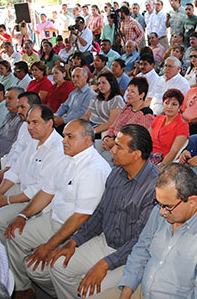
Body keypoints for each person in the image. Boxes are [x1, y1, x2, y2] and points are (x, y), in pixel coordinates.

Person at [28, 124, 158, 299]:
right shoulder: (117, 173)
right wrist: (75, 240)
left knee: (90, 291)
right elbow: (100, 213)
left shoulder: (154, 187)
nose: (112, 150)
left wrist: (105, 264)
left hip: (133, 255)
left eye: (119, 147)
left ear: (136, 155)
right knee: (57, 265)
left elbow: (143, 241)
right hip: (106, 242)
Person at [96, 163, 197, 299]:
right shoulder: (167, 207)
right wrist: (126, 291)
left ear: (192, 201)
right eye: (158, 203)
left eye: (167, 206)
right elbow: (142, 249)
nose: (161, 212)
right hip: (140, 289)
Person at [5, 119, 111, 299]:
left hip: (75, 231)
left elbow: (81, 218)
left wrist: (49, 246)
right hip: (53, 220)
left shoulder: (94, 168)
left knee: (37, 269)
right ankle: (23, 288)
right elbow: (47, 192)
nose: (64, 140)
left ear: (87, 141)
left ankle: (63, 291)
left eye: (70, 137)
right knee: (14, 233)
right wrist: (23, 214)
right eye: (64, 136)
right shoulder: (65, 158)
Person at [0, 104, 64, 245]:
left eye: (35, 122)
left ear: (49, 123)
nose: (30, 127)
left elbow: (38, 190)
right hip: (22, 188)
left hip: (36, 200)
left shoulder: (57, 149)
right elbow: (16, 169)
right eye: (28, 122)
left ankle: (0, 252)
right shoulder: (34, 140)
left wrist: (6, 200)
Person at [102, 77, 154, 153]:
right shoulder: (127, 108)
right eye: (128, 91)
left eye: (132, 92)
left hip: (126, 151)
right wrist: (107, 137)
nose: (128, 94)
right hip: (113, 143)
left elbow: (134, 139)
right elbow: (114, 125)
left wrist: (114, 143)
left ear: (141, 95)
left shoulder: (146, 115)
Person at [149, 89, 188, 167]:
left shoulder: (182, 125)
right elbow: (145, 138)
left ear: (179, 107)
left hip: (164, 162)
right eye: (167, 103)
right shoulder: (158, 119)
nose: (169, 106)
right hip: (146, 157)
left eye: (174, 104)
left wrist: (162, 165)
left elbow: (174, 151)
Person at [84, 72, 125, 137]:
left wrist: (92, 131)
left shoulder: (116, 99)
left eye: (103, 83)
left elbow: (111, 123)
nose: (100, 86)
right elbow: (87, 115)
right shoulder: (95, 97)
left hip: (103, 131)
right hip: (91, 126)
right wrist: (77, 124)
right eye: (99, 83)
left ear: (111, 83)